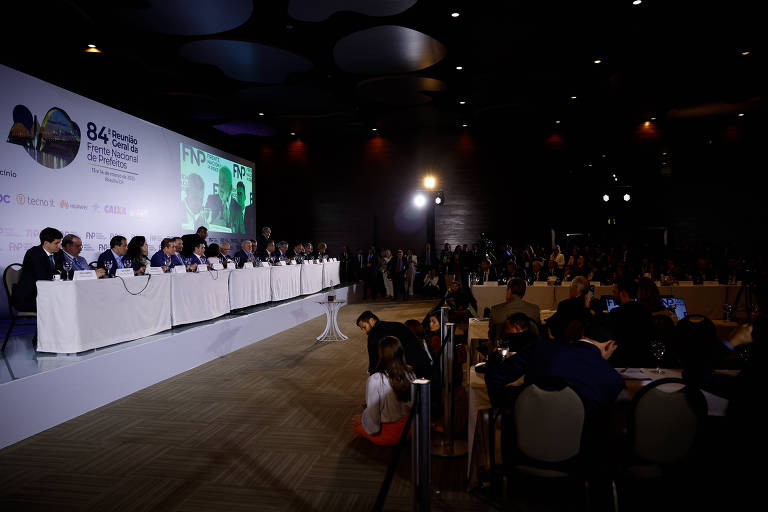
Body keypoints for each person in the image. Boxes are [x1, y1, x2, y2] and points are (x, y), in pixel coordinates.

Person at [352, 336, 415, 446]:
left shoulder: (376, 379)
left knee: (355, 422)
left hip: (389, 434)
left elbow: (373, 422)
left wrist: (362, 419)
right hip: (409, 428)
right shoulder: (410, 372)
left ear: (381, 355)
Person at [356, 311, 431, 379]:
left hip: (407, 372)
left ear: (371, 321)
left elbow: (374, 362)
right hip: (424, 364)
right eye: (361, 329)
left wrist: (373, 379)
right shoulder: (398, 325)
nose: (364, 332)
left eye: (364, 327)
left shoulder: (373, 335)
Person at [12, 227, 62, 312]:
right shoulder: (33, 253)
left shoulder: (59, 253)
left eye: (59, 242)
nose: (59, 246)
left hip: (51, 294)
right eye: (56, 243)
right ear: (46, 243)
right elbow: (42, 276)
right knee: (60, 305)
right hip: (30, 296)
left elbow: (64, 271)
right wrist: (57, 273)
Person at [609, 278, 655, 368]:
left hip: (621, 365)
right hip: (644, 364)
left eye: (614, 292)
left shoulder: (616, 314)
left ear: (623, 293)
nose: (612, 295)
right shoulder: (647, 313)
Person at [545, 276, 592, 342]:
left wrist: (547, 321)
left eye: (571, 286)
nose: (570, 289)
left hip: (565, 342)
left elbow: (554, 323)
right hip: (583, 342)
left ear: (575, 288)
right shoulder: (588, 305)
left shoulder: (565, 305)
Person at [204, 165, 243, 233]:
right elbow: (204, 225)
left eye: (224, 181)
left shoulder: (238, 208)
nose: (221, 185)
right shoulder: (211, 199)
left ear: (230, 188)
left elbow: (242, 232)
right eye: (220, 180)